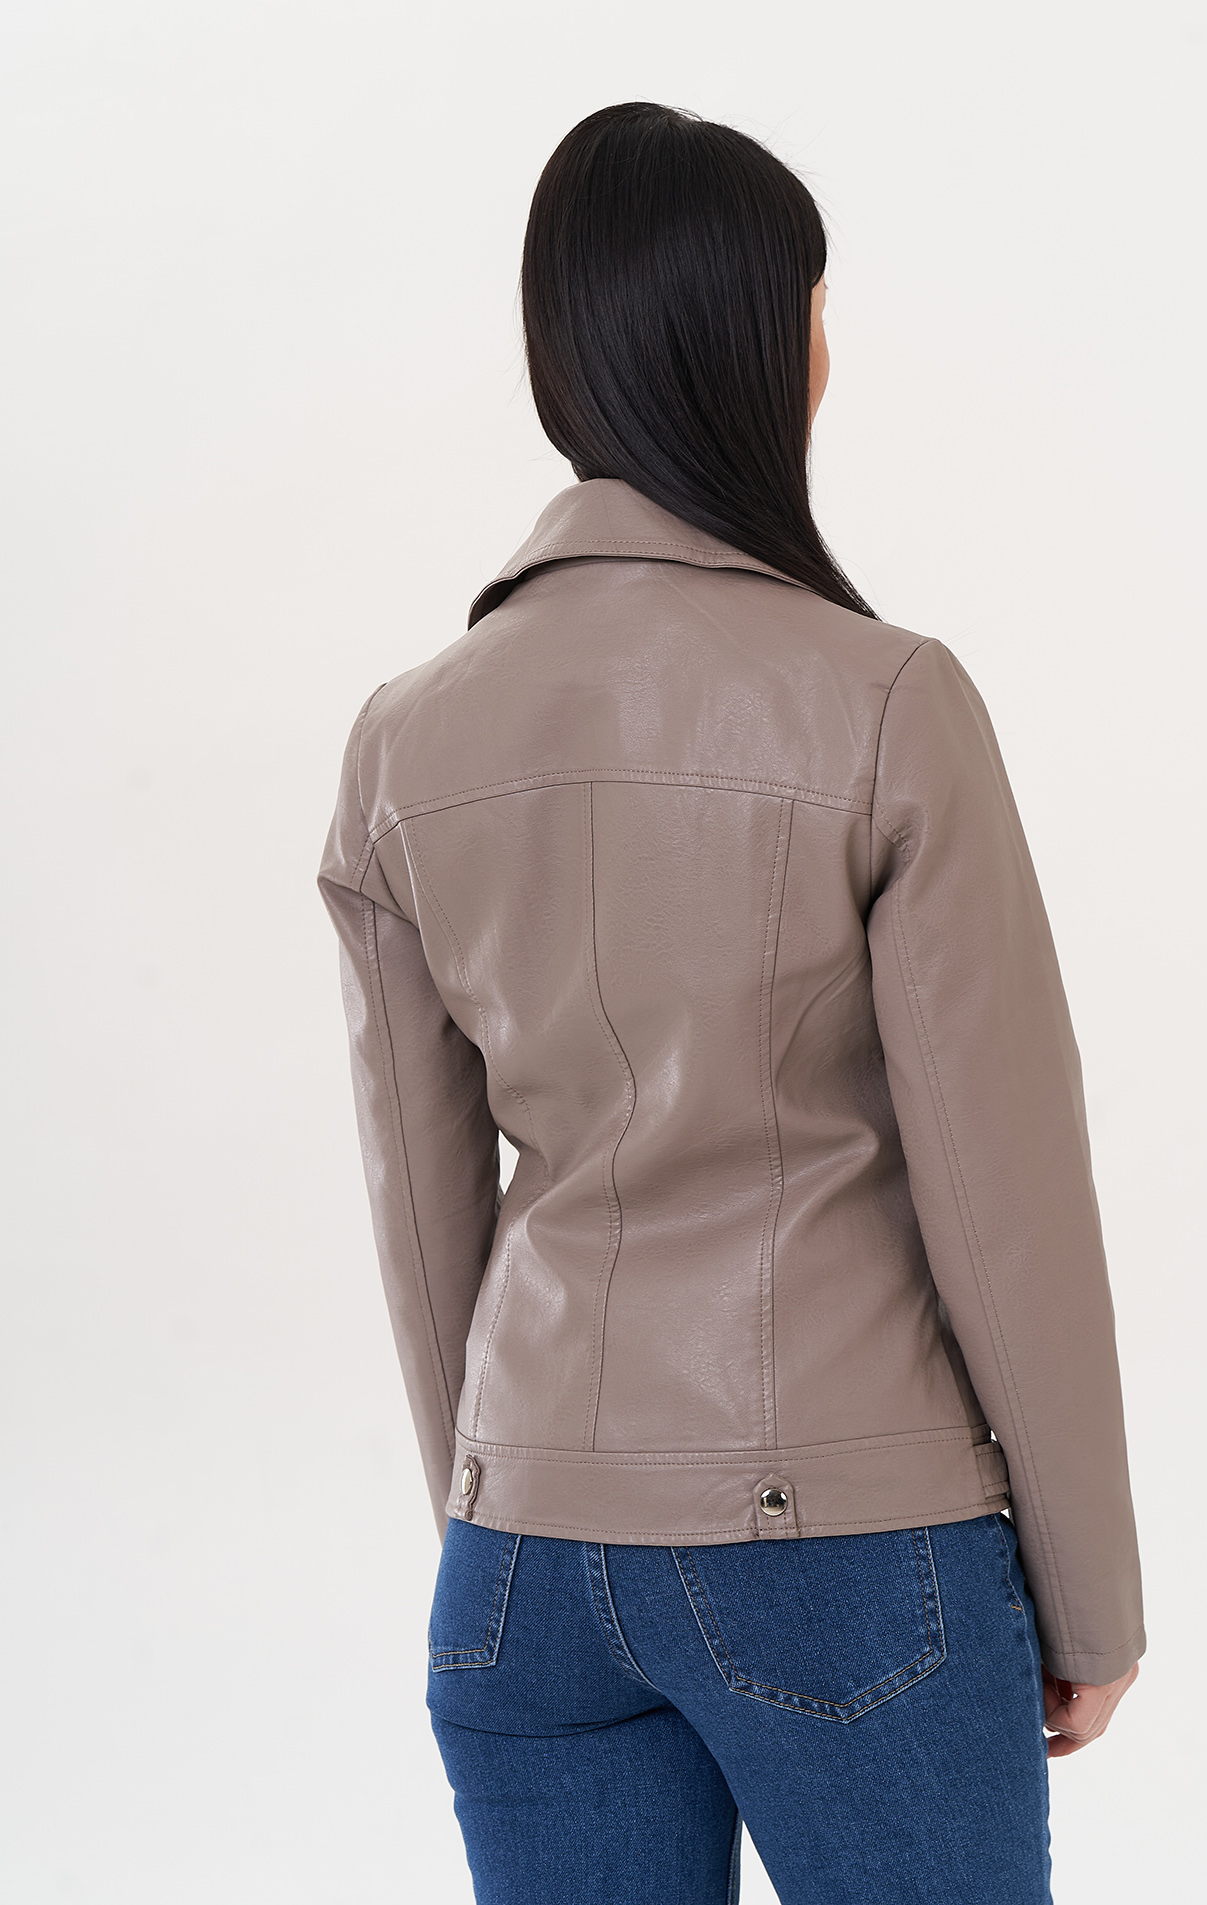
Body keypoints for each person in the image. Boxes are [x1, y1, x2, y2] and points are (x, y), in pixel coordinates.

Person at [318, 101, 1144, 1905]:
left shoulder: (402, 738)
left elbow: (423, 1214)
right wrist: (1089, 1598)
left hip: (524, 1556)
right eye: (818, 307)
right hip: (849, 1545)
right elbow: (1005, 1196)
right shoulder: (884, 699)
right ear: (770, 343)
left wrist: (502, 1505)